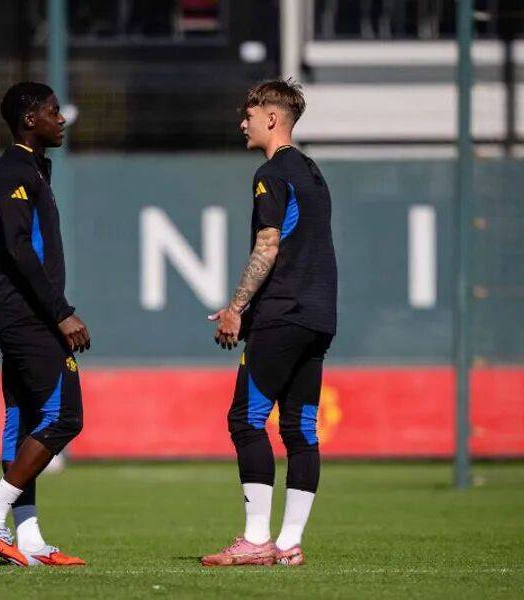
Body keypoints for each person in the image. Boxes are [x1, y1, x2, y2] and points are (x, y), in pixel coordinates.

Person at [201, 79, 338, 567]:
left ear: (273, 118)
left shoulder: (272, 172)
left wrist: (236, 307)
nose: (243, 123)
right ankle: (289, 544)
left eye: (250, 114)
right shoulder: (312, 172)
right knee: (300, 429)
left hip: (282, 314)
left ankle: (257, 538)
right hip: (318, 317)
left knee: (245, 419)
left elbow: (269, 243)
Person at [0, 81, 90, 567]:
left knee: (23, 417)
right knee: (65, 417)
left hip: (21, 313)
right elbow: (18, 248)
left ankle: (30, 538)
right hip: (26, 314)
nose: (62, 119)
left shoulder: (35, 168)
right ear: (29, 120)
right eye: (53, 111)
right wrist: (61, 312)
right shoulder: (13, 170)